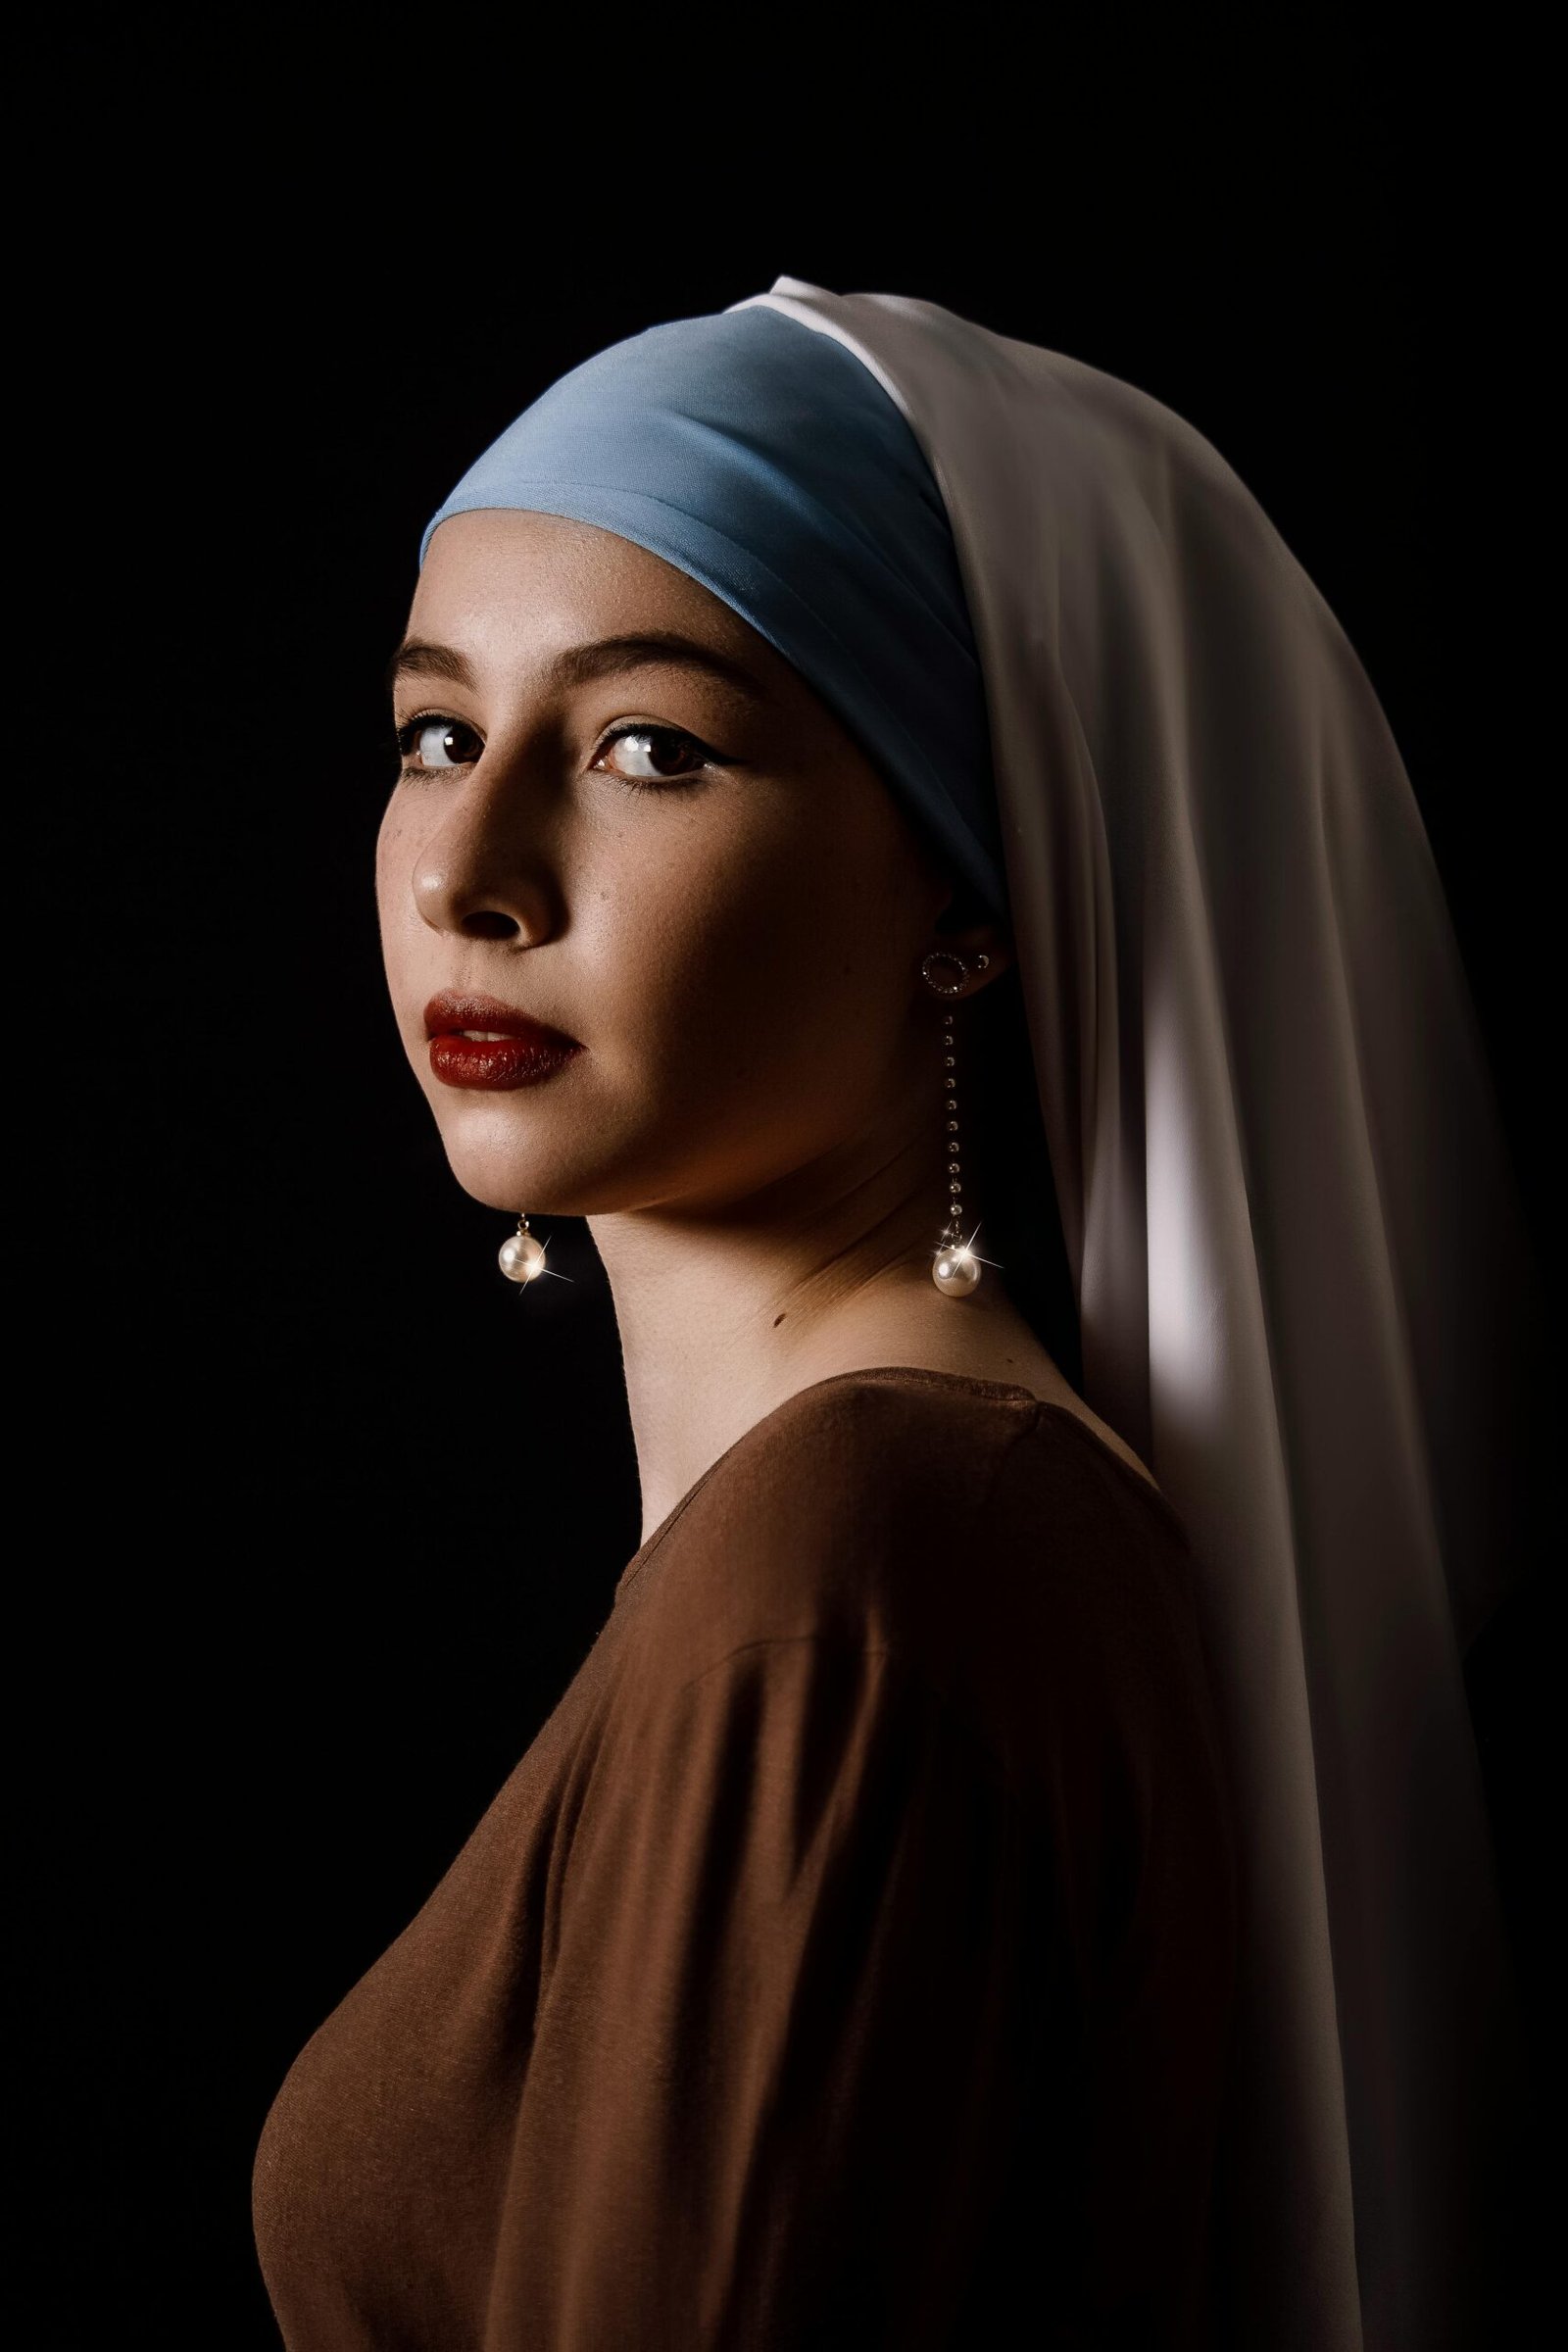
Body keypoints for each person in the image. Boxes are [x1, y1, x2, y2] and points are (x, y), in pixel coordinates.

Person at [252, 280, 1538, 2350]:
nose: (467, 871)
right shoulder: (919, 1533)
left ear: (964, 891)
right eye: (434, 733)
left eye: (645, 747)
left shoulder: (849, 1579)